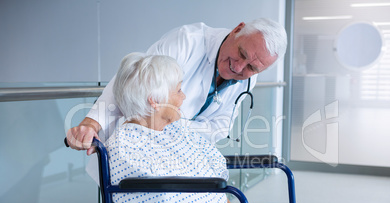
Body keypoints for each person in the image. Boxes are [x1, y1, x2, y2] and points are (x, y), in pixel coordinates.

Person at [105, 52, 318, 203]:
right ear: (155, 100)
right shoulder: (128, 147)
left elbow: (210, 183)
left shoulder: (177, 129)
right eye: (178, 90)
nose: (184, 97)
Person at [66, 18, 287, 154]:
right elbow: (133, 80)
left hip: (180, 158)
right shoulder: (188, 41)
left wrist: (175, 129)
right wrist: (92, 123)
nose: (239, 68)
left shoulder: (249, 78)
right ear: (238, 29)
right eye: (241, 54)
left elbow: (220, 126)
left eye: (252, 68)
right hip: (138, 151)